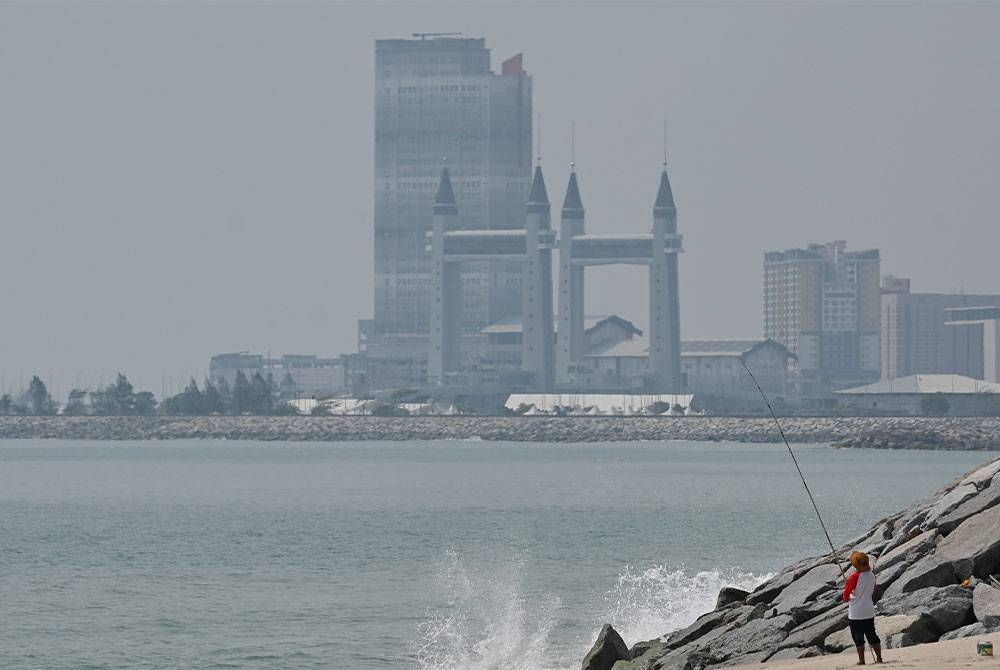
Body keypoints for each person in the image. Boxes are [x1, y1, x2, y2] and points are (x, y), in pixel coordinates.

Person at [843, 550, 882, 665]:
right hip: (869, 610)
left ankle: (862, 660)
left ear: (856, 565)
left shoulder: (854, 577)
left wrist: (850, 593)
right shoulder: (872, 575)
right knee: (872, 635)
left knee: (858, 638)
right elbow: (872, 591)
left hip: (856, 613)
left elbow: (845, 596)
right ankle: (879, 658)